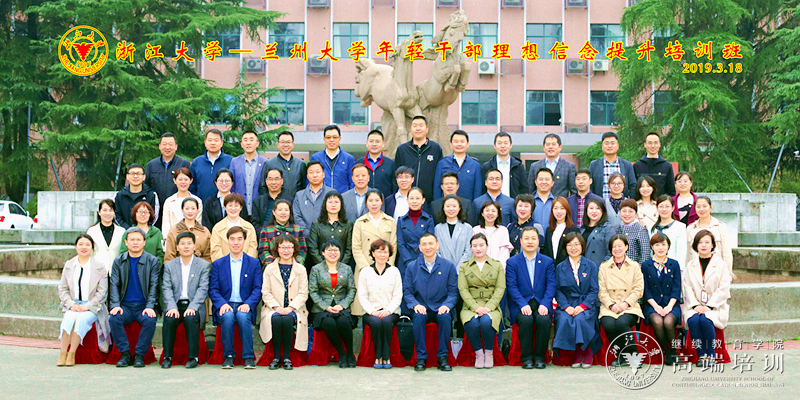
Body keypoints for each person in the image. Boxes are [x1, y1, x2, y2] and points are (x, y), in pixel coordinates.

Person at [208, 226, 262, 369]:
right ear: (228, 241)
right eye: (232, 239)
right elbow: (213, 289)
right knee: (227, 317)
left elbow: (257, 289)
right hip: (226, 303)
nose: (236, 243)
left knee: (243, 317)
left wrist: (248, 304)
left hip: (244, 304)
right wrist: (222, 304)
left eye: (239, 239)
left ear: (244, 241)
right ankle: (228, 356)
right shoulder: (218, 264)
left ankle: (248, 357)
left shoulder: (254, 263)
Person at [403, 233, 458, 372]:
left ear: (437, 245)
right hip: (421, 306)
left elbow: (453, 292)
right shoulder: (412, 267)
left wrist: (447, 305)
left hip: (441, 307)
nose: (428, 247)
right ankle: (421, 358)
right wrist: (415, 304)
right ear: (420, 247)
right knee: (418, 317)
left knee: (445, 317)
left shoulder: (448, 266)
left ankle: (443, 357)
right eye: (424, 244)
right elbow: (407, 291)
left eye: (431, 243)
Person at [108, 227, 161, 368]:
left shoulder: (153, 261)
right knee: (114, 318)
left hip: (144, 305)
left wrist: (150, 306)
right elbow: (114, 285)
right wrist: (115, 305)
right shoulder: (118, 261)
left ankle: (139, 355)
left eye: (138, 240)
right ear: (126, 242)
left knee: (149, 320)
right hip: (125, 305)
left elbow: (154, 286)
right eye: (132, 240)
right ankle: (125, 353)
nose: (135, 243)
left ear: (144, 242)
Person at [505, 227, 556, 369]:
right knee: (526, 320)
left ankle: (540, 357)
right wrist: (522, 304)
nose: (530, 242)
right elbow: (512, 286)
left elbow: (551, 285)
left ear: (538, 241)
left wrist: (545, 303)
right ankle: (526, 358)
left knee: (543, 319)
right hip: (521, 303)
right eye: (526, 238)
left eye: (533, 238)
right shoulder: (512, 262)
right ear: (521, 241)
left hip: (541, 302)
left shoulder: (547, 261)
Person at [56, 234, 110, 367]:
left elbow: (102, 292)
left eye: (87, 244)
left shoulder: (99, 266)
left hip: (92, 307)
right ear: (76, 247)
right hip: (74, 304)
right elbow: (62, 288)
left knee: (81, 319)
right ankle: (63, 353)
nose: (84, 247)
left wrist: (88, 306)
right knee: (69, 319)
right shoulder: (69, 265)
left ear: (92, 248)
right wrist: (71, 304)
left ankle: (72, 354)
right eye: (80, 244)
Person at [160, 232, 211, 369]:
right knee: (169, 319)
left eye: (189, 243)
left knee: (190, 318)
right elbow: (166, 288)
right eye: (182, 244)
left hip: (194, 304)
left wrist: (192, 307)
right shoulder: (169, 266)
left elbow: (203, 289)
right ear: (177, 247)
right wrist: (171, 307)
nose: (186, 246)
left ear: (194, 246)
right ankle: (167, 357)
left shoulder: (203, 265)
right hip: (175, 304)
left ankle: (193, 357)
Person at [259, 236, 310, 370]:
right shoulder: (269, 268)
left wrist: (290, 308)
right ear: (277, 249)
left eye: (289, 247)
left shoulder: (301, 269)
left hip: (294, 309)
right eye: (282, 247)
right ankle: (276, 357)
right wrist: (276, 307)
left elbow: (303, 293)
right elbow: (266, 292)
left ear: (294, 249)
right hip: (273, 308)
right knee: (276, 319)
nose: (285, 250)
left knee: (287, 319)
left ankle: (286, 357)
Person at [684, 230, 732, 367]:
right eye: (700, 242)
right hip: (695, 306)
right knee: (693, 320)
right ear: (695, 245)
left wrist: (709, 306)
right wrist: (695, 305)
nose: (703, 245)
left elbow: (723, 288)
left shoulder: (721, 265)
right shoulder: (690, 265)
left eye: (707, 242)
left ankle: (711, 355)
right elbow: (687, 287)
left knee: (706, 319)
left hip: (715, 306)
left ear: (712, 245)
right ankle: (701, 355)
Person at [458, 233, 506, 369]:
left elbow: (500, 288)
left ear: (487, 246)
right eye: (474, 246)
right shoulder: (464, 266)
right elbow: (463, 289)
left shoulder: (496, 265)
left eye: (481, 245)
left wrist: (489, 306)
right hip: (470, 305)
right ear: (471, 248)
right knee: (471, 323)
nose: (478, 248)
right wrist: (475, 307)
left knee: (486, 322)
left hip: (491, 305)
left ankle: (489, 353)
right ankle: (479, 354)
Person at [552, 233, 599, 368]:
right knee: (564, 318)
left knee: (581, 319)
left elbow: (594, 290)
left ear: (582, 246)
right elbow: (558, 290)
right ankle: (576, 352)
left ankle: (587, 351)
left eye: (576, 244)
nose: (573, 248)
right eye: (570, 245)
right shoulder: (560, 267)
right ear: (565, 247)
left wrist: (583, 306)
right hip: (567, 303)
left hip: (586, 303)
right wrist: (566, 306)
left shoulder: (590, 265)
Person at [309, 240, 357, 368]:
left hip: (341, 307)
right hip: (322, 309)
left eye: (336, 250)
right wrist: (326, 307)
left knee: (343, 322)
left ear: (340, 252)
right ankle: (342, 354)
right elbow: (313, 291)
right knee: (328, 323)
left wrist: (342, 305)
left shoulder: (346, 269)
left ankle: (350, 354)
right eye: (329, 250)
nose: (333, 253)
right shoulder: (316, 269)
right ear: (323, 253)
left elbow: (351, 290)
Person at [597, 234, 644, 367]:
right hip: (609, 306)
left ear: (626, 247)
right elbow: (602, 291)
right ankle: (621, 355)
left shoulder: (634, 266)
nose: (617, 249)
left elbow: (638, 289)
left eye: (620, 246)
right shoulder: (604, 267)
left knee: (622, 323)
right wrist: (611, 305)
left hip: (629, 306)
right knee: (609, 324)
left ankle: (634, 356)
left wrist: (625, 304)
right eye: (614, 247)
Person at [351, 190, 397, 316]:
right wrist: (366, 268)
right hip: (364, 267)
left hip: (384, 268)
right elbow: (356, 247)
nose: (374, 203)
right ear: (366, 203)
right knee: (364, 303)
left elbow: (393, 246)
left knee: (384, 304)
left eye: (377, 200)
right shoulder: (360, 222)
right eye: (370, 200)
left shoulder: (390, 221)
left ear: (382, 202)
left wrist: (387, 267)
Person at [359, 239, 403, 369]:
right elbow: (362, 296)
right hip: (371, 312)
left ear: (389, 254)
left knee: (386, 322)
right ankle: (378, 356)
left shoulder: (394, 271)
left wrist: (388, 310)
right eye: (378, 252)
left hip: (391, 311)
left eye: (385, 252)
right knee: (376, 322)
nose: (382, 255)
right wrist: (372, 311)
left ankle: (386, 356)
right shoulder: (365, 271)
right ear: (373, 254)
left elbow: (397, 295)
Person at [641, 233, 682, 365]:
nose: (660, 248)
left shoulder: (674, 264)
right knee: (658, 321)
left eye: (663, 244)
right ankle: (667, 352)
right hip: (652, 304)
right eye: (657, 244)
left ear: (668, 246)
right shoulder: (645, 265)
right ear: (652, 246)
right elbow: (645, 290)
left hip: (671, 303)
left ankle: (674, 352)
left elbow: (676, 288)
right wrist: (656, 307)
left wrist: (669, 306)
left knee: (668, 321)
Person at [145, 132, 191, 229]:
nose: (167, 147)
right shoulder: (152, 165)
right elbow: (147, 187)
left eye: (170, 144)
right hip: (156, 211)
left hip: (177, 210)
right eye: (164, 144)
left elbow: (189, 185)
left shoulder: (183, 163)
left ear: (176, 147)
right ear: (159, 146)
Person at [394, 115, 443, 204]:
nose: (418, 128)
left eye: (421, 125)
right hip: (406, 199)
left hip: (429, 199)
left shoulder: (435, 148)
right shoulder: (402, 149)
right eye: (415, 125)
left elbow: (439, 174)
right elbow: (396, 174)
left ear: (427, 129)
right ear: (411, 129)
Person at [685, 196, 734, 277]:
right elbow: (687, 254)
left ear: (710, 208)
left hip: (717, 273)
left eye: (704, 206)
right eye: (698, 207)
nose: (701, 209)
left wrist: (728, 275)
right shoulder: (690, 228)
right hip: (695, 273)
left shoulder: (720, 227)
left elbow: (727, 253)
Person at [433, 130, 482, 201]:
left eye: (462, 141)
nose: (459, 144)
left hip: (468, 206)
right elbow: (437, 189)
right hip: (447, 205)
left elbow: (477, 190)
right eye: (456, 141)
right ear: (451, 144)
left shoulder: (475, 165)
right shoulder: (442, 163)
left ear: (468, 144)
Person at [396, 187, 435, 277]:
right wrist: (409, 261)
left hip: (424, 260)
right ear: (407, 200)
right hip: (405, 261)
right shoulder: (401, 220)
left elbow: (430, 241)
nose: (414, 201)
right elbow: (400, 243)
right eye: (411, 198)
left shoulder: (428, 220)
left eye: (417, 198)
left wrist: (420, 260)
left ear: (423, 200)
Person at [307, 191, 353, 266]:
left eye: (336, 202)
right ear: (325, 204)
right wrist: (323, 266)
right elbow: (313, 248)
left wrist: (341, 266)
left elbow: (349, 249)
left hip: (342, 268)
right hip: (320, 268)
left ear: (341, 204)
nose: (333, 205)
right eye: (330, 202)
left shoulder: (348, 225)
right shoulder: (316, 225)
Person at [257, 199, 307, 267]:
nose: (283, 213)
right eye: (280, 210)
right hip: (272, 268)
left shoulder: (298, 229)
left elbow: (302, 250)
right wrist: (274, 265)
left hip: (295, 267)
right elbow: (263, 251)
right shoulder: (266, 230)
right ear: (274, 212)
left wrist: (295, 264)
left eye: (286, 210)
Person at [210, 193, 258, 261]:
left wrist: (245, 264)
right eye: (230, 205)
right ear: (225, 207)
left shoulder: (249, 228)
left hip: (246, 265)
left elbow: (253, 249)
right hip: (224, 266)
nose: (233, 208)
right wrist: (226, 265)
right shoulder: (217, 228)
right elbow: (215, 251)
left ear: (241, 207)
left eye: (236, 206)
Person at [258, 131, 307, 199]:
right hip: (276, 204)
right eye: (282, 142)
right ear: (278, 144)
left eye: (288, 142)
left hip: (296, 203)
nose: (285, 145)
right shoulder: (269, 164)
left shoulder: (300, 164)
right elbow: (263, 187)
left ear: (293, 144)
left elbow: (304, 186)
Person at [292, 161, 335, 237]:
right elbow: (297, 217)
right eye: (311, 172)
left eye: (318, 172)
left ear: (323, 175)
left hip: (326, 237)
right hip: (304, 237)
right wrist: (307, 234)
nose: (315, 175)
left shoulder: (332, 193)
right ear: (307, 176)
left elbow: (335, 215)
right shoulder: (299, 195)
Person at [229, 130, 268, 215]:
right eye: (245, 140)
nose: (248, 143)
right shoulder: (234, 162)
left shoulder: (265, 163)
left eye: (251, 140)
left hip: (259, 209)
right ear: (241, 144)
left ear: (257, 143)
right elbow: (231, 186)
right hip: (239, 209)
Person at [589, 132, 637, 199]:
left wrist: (629, 202)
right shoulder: (594, 165)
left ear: (617, 146)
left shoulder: (627, 165)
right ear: (602, 146)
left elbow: (633, 186)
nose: (609, 146)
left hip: (622, 204)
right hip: (600, 204)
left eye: (612, 143)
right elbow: (590, 186)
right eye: (606, 143)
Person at [190, 129, 233, 202]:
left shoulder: (230, 161)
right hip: (201, 205)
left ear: (221, 143)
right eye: (210, 140)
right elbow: (192, 187)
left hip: (225, 205)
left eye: (216, 140)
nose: (213, 143)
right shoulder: (196, 162)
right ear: (205, 142)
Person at [309, 125, 355, 193]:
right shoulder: (316, 158)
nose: (331, 140)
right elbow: (310, 181)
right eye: (328, 137)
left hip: (343, 197)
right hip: (321, 198)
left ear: (339, 139)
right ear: (324, 139)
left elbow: (352, 182)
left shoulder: (348, 159)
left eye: (335, 137)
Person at [164, 198, 212, 263]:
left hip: (200, 267)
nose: (190, 211)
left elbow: (208, 256)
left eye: (193, 208)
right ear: (182, 210)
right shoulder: (174, 230)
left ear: (197, 210)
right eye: (187, 208)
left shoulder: (204, 231)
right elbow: (169, 256)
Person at [528, 134, 577, 198]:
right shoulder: (535, 166)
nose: (550, 147)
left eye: (553, 144)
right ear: (544, 147)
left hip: (561, 203)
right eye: (548, 144)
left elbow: (574, 191)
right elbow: (530, 190)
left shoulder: (569, 166)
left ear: (560, 147)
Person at [481, 132, 527, 199]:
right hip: (492, 203)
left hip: (513, 203)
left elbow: (524, 188)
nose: (502, 146)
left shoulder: (518, 166)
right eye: (499, 143)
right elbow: (483, 189)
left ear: (511, 145)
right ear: (494, 146)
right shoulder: (487, 166)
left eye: (505, 143)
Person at [114, 164, 160, 229]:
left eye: (138, 173)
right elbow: (117, 216)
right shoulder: (120, 195)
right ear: (127, 176)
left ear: (144, 177)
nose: (135, 176)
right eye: (132, 173)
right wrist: (128, 230)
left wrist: (142, 230)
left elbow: (154, 217)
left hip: (146, 233)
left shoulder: (151, 195)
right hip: (124, 232)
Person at [161, 168, 203, 238]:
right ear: (174, 181)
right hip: (173, 239)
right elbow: (166, 224)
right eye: (180, 179)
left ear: (191, 181)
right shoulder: (169, 202)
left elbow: (198, 222)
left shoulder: (197, 201)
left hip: (192, 239)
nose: (183, 182)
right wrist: (168, 239)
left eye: (186, 179)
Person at [86, 199, 126, 272]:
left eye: (110, 210)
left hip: (116, 272)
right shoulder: (91, 231)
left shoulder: (122, 231)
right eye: (104, 210)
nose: (108, 213)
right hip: (97, 271)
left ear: (114, 213)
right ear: (99, 212)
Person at [651, 195, 688, 271]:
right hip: (654, 269)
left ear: (673, 208)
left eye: (667, 206)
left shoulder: (680, 227)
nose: (664, 209)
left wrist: (679, 270)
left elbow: (681, 252)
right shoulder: (651, 228)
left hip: (672, 269)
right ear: (657, 208)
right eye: (661, 206)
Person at [435, 195, 473, 267]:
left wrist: (458, 269)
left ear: (459, 208)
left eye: (454, 206)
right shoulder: (438, 228)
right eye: (448, 206)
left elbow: (468, 251)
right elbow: (436, 251)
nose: (451, 209)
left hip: (462, 269)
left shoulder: (467, 228)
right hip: (443, 268)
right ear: (443, 208)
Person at [634, 132, 676, 197]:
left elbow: (671, 192)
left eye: (656, 143)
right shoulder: (637, 166)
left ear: (659, 144)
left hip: (661, 203)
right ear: (645, 145)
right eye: (650, 143)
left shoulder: (667, 166)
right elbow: (634, 190)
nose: (653, 146)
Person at [473, 201, 514, 268]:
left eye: (493, 211)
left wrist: (499, 270)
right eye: (487, 210)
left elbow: (504, 254)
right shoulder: (475, 230)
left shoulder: (503, 230)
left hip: (498, 270)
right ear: (482, 213)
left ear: (498, 214)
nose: (490, 213)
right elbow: (473, 252)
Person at [581, 199, 617, 272]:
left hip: (600, 270)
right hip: (582, 269)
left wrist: (602, 267)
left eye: (598, 208)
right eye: (591, 208)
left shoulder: (608, 229)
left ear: (602, 211)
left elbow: (611, 252)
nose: (594, 211)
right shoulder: (582, 229)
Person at [543, 197, 581, 266]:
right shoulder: (549, 230)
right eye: (555, 208)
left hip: (567, 268)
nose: (558, 211)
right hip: (551, 267)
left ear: (567, 210)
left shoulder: (573, 229)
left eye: (562, 208)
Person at [251, 168, 290, 234]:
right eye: (270, 179)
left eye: (277, 179)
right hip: (263, 236)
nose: (273, 182)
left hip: (285, 237)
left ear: (282, 181)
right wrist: (264, 235)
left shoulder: (289, 200)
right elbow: (255, 223)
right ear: (266, 181)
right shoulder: (258, 201)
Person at [360, 130, 397, 197]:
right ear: (367, 143)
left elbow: (394, 187)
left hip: (385, 201)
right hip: (363, 201)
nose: (374, 144)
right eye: (371, 141)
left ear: (383, 144)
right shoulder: (359, 163)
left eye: (377, 141)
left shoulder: (391, 164)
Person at [617, 199, 652, 265]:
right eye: (624, 211)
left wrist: (638, 268)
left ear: (635, 213)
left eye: (630, 211)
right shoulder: (616, 229)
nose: (627, 214)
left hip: (634, 268)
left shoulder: (641, 230)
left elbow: (645, 253)